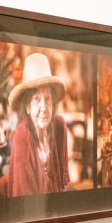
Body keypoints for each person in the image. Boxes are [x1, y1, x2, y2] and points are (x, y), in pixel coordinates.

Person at [7, 53, 69, 196]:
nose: (44, 107)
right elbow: (26, 204)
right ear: (27, 106)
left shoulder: (58, 127)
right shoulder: (22, 136)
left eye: (48, 98)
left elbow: (62, 188)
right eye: (36, 99)